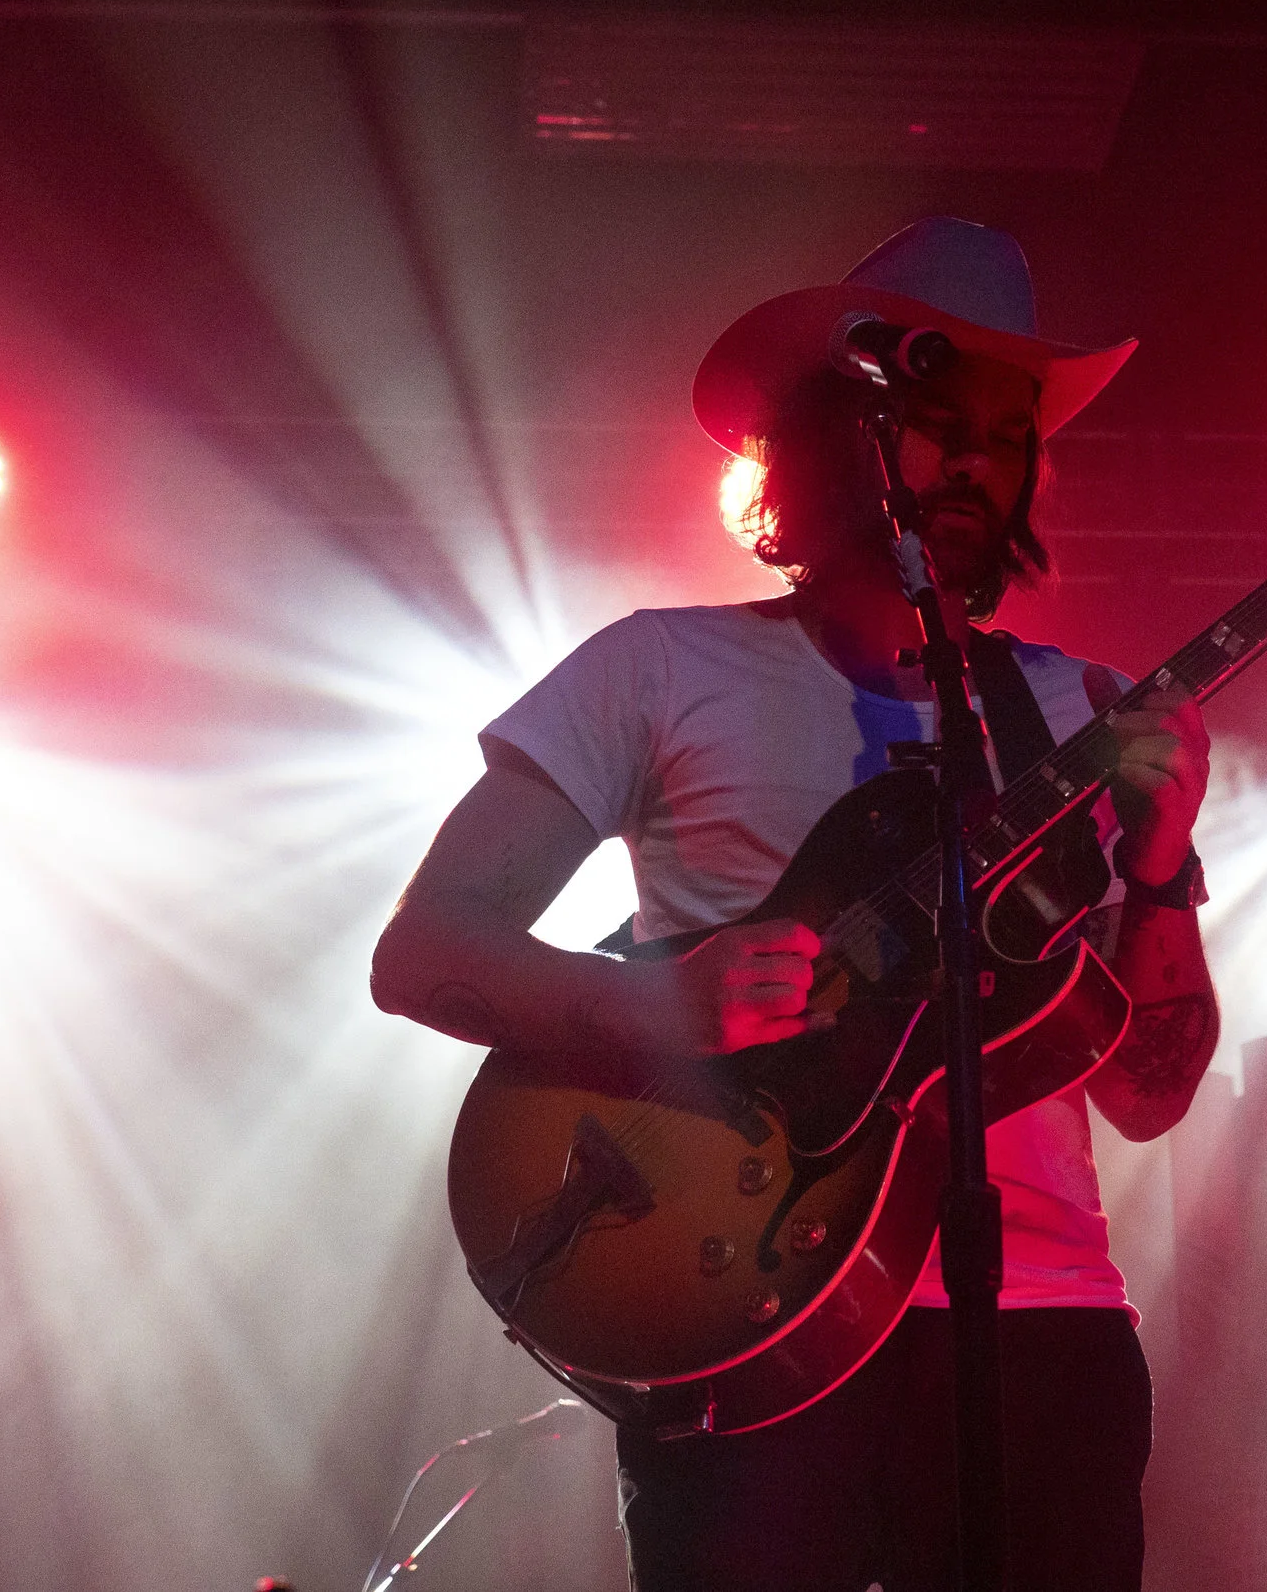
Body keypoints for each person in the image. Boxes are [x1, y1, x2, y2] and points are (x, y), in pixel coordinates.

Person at [370, 217, 1219, 1592]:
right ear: (830, 434)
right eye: (937, 422)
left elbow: (1146, 1093)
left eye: (1006, 438)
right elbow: (421, 950)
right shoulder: (657, 670)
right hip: (741, 1304)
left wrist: (1163, 862)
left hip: (1042, 1327)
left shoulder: (1078, 711)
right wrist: (658, 1005)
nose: (975, 463)